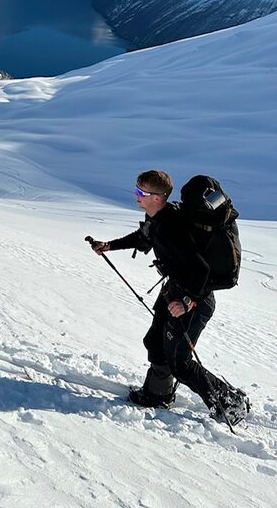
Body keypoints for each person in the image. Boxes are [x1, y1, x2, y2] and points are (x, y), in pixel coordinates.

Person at [88, 169, 249, 425]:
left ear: (157, 197)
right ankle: (156, 393)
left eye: (141, 192)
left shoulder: (171, 227)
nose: (136, 195)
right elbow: (144, 236)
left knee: (180, 362)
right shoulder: (159, 218)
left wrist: (187, 301)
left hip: (194, 301)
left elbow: (201, 270)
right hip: (174, 291)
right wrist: (109, 245)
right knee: (155, 341)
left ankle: (231, 403)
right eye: (137, 189)